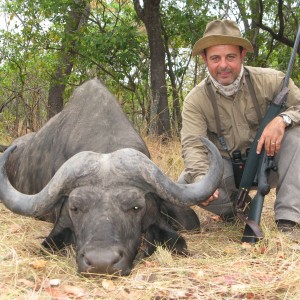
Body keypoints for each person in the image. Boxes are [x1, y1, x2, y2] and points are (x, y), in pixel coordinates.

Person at [179, 19, 300, 232]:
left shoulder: (272, 80)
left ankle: (287, 221)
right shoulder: (194, 100)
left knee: (296, 135)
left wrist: (283, 120)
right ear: (205, 59)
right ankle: (235, 210)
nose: (223, 65)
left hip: (269, 161)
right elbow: (193, 147)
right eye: (215, 58)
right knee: (188, 182)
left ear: (243, 56)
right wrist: (202, 181)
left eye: (231, 57)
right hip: (227, 170)